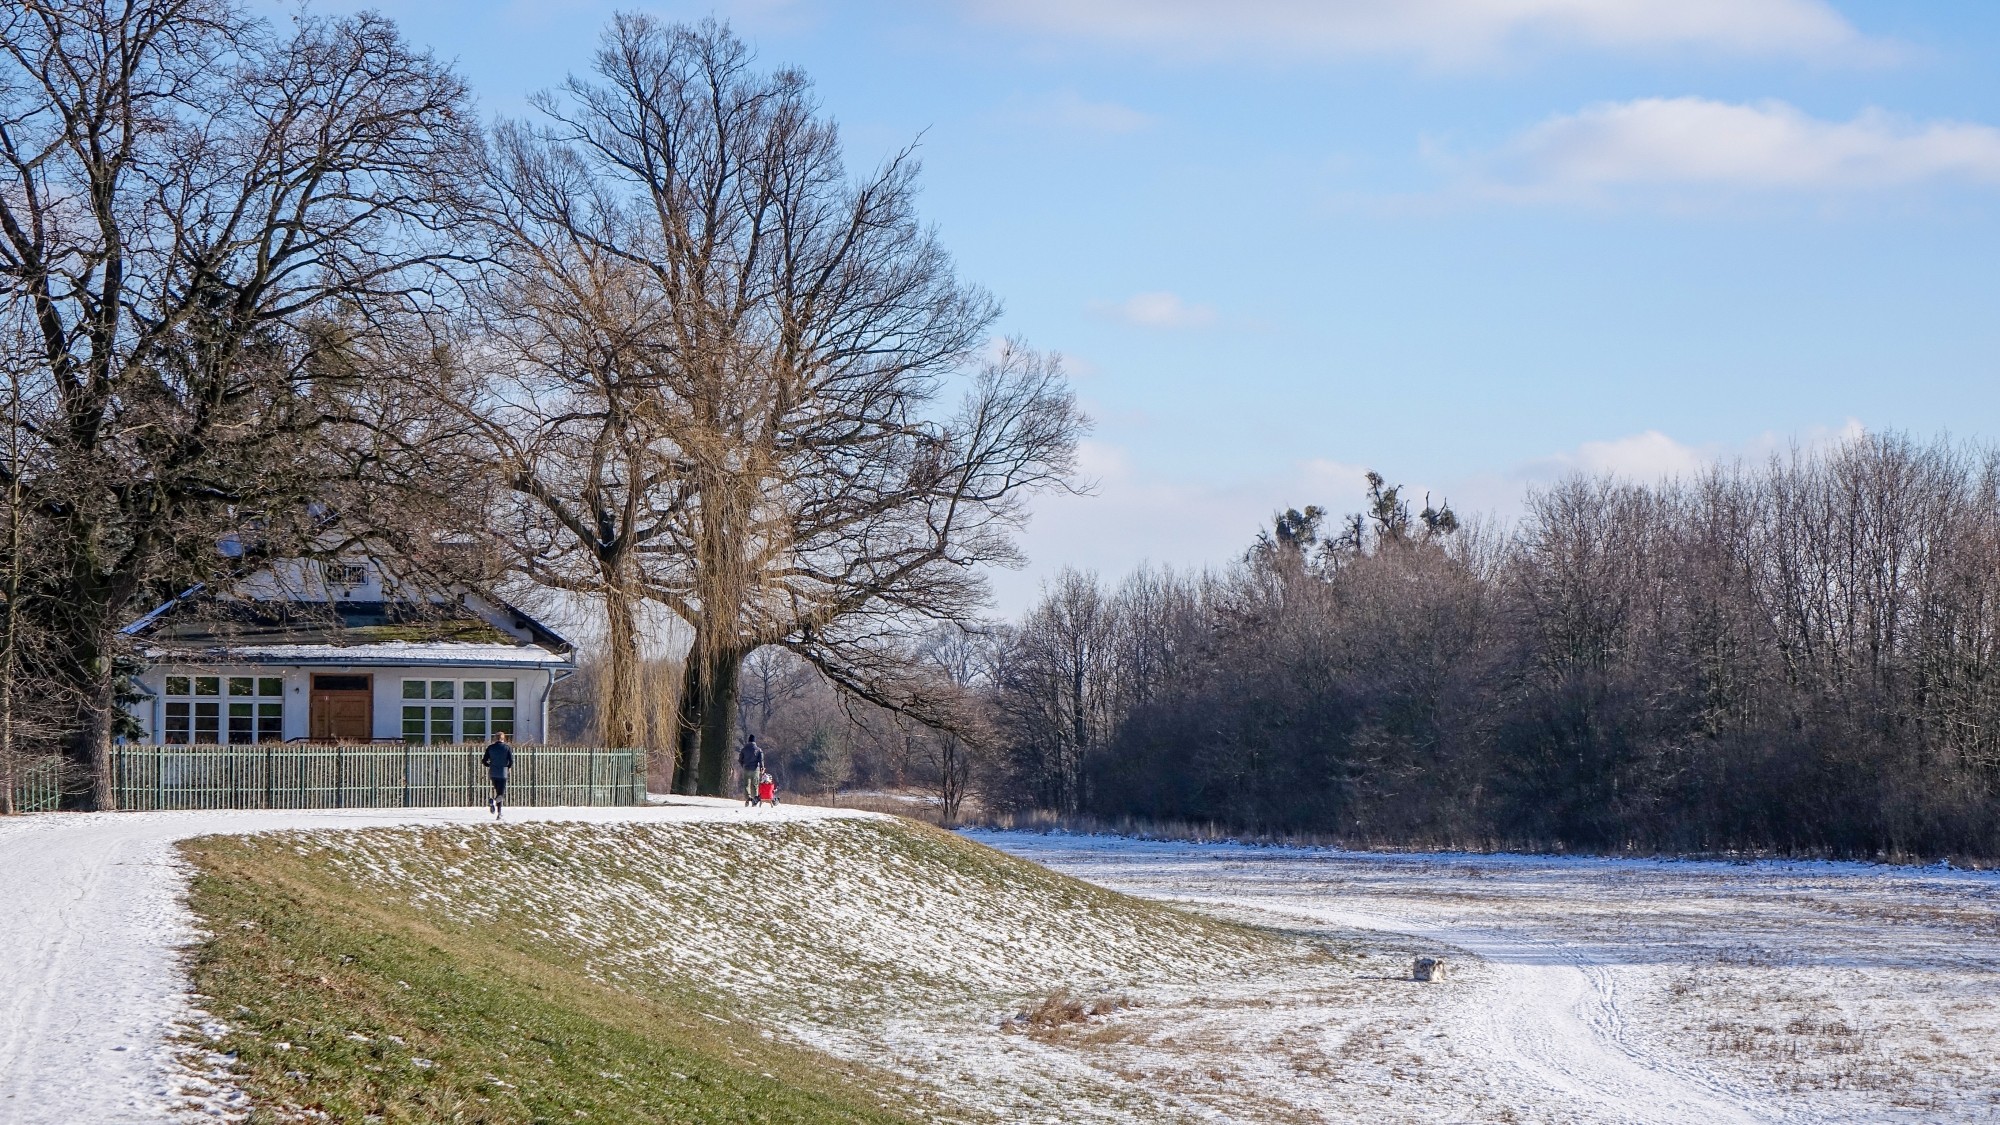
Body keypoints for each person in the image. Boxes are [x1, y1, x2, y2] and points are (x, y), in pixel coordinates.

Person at [482, 730, 514, 820]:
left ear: (495, 738)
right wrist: (508, 767)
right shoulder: (507, 748)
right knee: (501, 793)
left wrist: (490, 765)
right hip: (503, 773)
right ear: (504, 738)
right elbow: (511, 761)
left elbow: (484, 760)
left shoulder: (490, 747)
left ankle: (498, 811)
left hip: (493, 772)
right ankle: (498, 811)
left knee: (497, 791)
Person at [738, 735, 764, 805]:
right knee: (755, 785)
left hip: (746, 768)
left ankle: (748, 798)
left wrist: (743, 765)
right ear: (754, 741)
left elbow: (740, 760)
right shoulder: (758, 750)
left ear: (748, 741)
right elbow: (761, 760)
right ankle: (754, 800)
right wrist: (762, 768)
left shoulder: (744, 749)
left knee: (746, 785)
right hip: (755, 769)